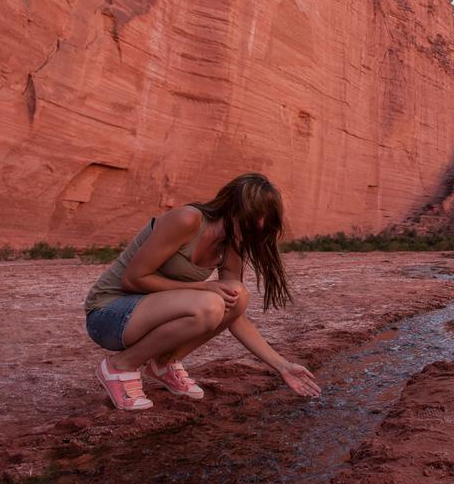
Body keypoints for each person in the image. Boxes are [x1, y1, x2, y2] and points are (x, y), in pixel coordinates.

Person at [83, 173, 321, 410]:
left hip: (148, 315)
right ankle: (119, 366)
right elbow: (133, 279)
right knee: (209, 304)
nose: (255, 234)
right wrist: (202, 286)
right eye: (252, 223)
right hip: (109, 315)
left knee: (237, 295)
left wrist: (282, 365)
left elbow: (235, 314)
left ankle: (163, 364)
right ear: (235, 208)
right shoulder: (188, 220)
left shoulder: (231, 244)